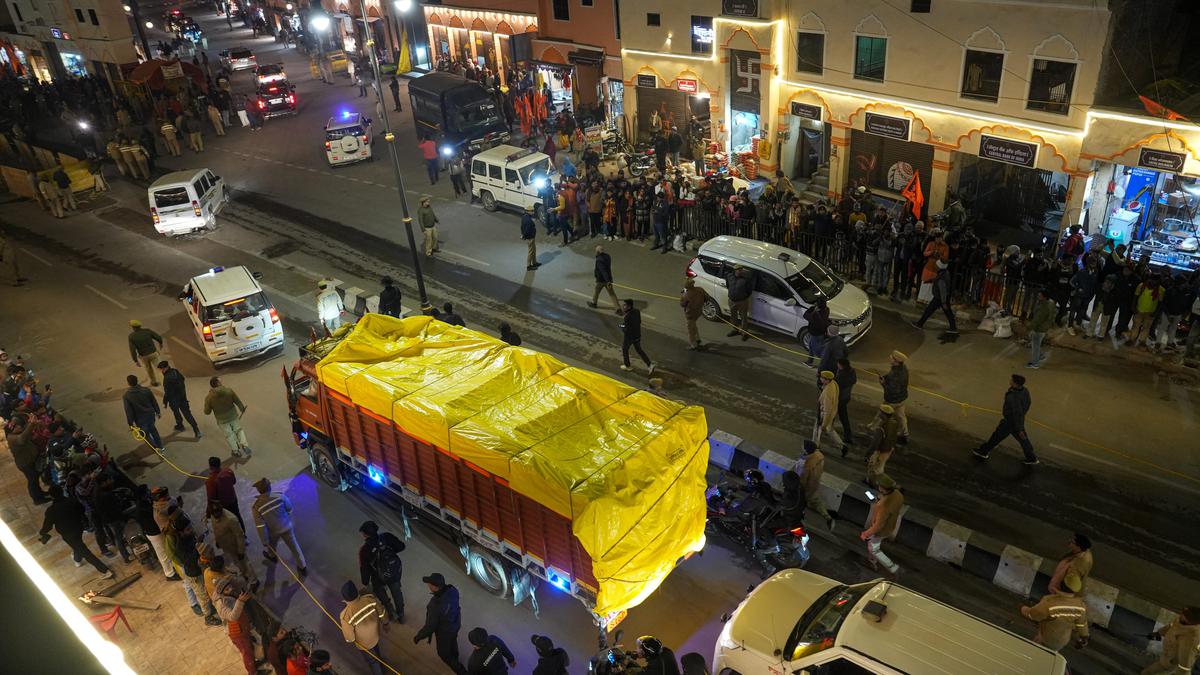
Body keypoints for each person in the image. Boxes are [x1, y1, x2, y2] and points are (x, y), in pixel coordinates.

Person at [38, 490, 113, 577]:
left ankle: (105, 571)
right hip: (78, 528)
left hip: (68, 534)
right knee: (78, 546)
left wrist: (42, 532)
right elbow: (82, 509)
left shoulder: (51, 510)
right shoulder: (71, 501)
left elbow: (48, 525)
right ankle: (77, 558)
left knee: (85, 552)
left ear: (52, 497)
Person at [165, 511, 222, 625]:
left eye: (190, 527)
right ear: (180, 532)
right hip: (193, 574)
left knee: (207, 590)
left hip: (200, 569)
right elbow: (189, 559)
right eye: (188, 529)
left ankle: (210, 607)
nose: (191, 530)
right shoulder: (179, 546)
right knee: (203, 595)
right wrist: (197, 549)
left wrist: (198, 541)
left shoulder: (189, 536)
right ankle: (208, 616)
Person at [972, 374, 1039, 465]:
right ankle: (1031, 458)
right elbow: (1027, 404)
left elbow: (1017, 413)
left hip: (1010, 422)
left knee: (996, 436)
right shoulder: (1024, 391)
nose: (1009, 381)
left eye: (1011, 380)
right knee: (1023, 440)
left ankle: (984, 451)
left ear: (1015, 383)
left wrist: (1019, 428)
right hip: (1016, 422)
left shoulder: (1014, 397)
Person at [413, 572, 467, 675]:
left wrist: (419, 636)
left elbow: (430, 627)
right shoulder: (453, 590)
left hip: (444, 632)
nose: (428, 585)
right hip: (455, 624)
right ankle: (455, 656)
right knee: (453, 640)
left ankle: (462, 671)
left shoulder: (435, 605)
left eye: (429, 584)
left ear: (434, 587)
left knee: (444, 654)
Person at [1019, 573, 1089, 652]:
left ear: (1061, 585)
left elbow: (1033, 614)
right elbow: (1082, 624)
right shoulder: (1080, 606)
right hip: (1062, 641)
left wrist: (1022, 608)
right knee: (1052, 655)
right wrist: (1084, 637)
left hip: (1046, 639)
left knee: (1036, 653)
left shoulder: (1050, 603)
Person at [252, 477, 307, 573]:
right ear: (270, 487)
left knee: (272, 544)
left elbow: (260, 526)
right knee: (294, 546)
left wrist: (264, 540)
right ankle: (303, 566)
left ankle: (272, 556)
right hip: (286, 527)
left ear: (259, 491)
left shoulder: (257, 507)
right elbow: (289, 508)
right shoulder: (280, 497)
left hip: (273, 531)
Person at [359, 520, 406, 623]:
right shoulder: (387, 537)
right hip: (393, 572)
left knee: (382, 596)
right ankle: (401, 615)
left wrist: (365, 582)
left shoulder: (364, 550)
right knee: (397, 593)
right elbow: (402, 546)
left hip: (378, 577)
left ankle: (391, 613)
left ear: (365, 534)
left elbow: (364, 569)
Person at [212, 575, 259, 674]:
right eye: (227, 589)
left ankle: (254, 665)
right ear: (222, 592)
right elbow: (232, 616)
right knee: (247, 653)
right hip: (237, 632)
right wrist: (241, 601)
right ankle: (252, 672)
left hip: (243, 627)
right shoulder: (221, 604)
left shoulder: (227, 594)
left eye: (230, 586)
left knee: (250, 648)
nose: (231, 589)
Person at [859, 473, 903, 576]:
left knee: (873, 549)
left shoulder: (883, 506)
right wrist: (877, 501)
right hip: (891, 525)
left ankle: (891, 567)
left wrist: (866, 534)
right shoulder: (898, 494)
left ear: (883, 488)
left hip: (881, 530)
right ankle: (872, 561)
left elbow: (878, 525)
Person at [339, 582, 386, 675]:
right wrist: (385, 623)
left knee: (372, 661)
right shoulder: (369, 600)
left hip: (364, 644)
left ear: (344, 598)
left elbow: (350, 638)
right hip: (375, 635)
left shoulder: (345, 616)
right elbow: (382, 612)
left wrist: (351, 639)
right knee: (377, 650)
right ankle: (382, 663)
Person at [209, 500, 257, 587]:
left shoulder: (231, 519)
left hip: (236, 546)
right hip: (226, 546)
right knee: (237, 563)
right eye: (213, 513)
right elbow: (215, 529)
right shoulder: (213, 516)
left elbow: (239, 535)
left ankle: (254, 581)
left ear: (221, 509)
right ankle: (245, 576)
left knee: (245, 563)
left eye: (217, 512)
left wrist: (241, 550)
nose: (215, 515)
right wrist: (217, 541)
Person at [1140, 606, 1200, 675]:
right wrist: (1159, 633)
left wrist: (1172, 664)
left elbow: (1185, 666)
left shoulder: (1190, 639)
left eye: (1184, 615)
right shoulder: (1181, 621)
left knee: (1147, 673)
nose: (1180, 615)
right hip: (1166, 656)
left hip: (1170, 662)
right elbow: (1171, 626)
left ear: (1189, 621)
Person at [5, 413, 49, 504]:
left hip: (30, 460)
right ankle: (37, 499)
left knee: (35, 479)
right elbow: (22, 439)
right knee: (32, 481)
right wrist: (31, 424)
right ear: (12, 430)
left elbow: (26, 432)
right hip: (26, 464)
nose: (20, 427)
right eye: (17, 427)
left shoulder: (17, 433)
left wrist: (32, 423)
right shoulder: (12, 438)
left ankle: (40, 493)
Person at [205, 377, 251, 457]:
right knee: (239, 430)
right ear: (218, 383)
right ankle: (244, 445)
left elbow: (207, 412)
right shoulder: (229, 391)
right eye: (220, 381)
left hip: (222, 420)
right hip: (233, 416)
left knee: (229, 435)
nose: (222, 381)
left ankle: (236, 451)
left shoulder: (209, 397)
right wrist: (242, 408)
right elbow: (237, 401)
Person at [795, 440, 834, 530]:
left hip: (807, 487)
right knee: (816, 500)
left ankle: (800, 523)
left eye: (803, 447)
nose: (801, 447)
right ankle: (827, 517)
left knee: (800, 504)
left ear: (806, 450)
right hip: (815, 482)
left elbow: (802, 478)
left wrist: (798, 487)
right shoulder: (819, 456)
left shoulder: (806, 464)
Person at [911, 260, 958, 333]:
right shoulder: (944, 273)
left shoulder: (942, 277)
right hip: (942, 297)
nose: (935, 266)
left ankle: (919, 324)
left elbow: (942, 290)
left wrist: (943, 302)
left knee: (929, 310)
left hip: (939, 298)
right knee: (947, 312)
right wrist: (930, 280)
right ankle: (953, 327)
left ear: (939, 267)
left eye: (936, 265)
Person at [158, 360, 201, 438]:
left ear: (166, 368)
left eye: (162, 369)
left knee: (176, 413)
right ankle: (196, 430)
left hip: (174, 400)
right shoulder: (175, 371)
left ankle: (180, 426)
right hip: (182, 397)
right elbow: (183, 378)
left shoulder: (167, 379)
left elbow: (167, 392)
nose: (161, 371)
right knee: (187, 414)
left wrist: (165, 402)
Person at [206, 456, 247, 532]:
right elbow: (234, 482)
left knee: (226, 522)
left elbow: (211, 498)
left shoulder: (210, 481)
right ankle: (244, 534)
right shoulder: (228, 471)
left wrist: (208, 513)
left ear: (211, 467)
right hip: (233, 499)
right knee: (237, 516)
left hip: (222, 505)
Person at [877, 350, 910, 444]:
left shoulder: (897, 374)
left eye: (891, 357)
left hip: (893, 400)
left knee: (882, 414)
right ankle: (905, 434)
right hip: (902, 398)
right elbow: (890, 375)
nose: (890, 358)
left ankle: (876, 430)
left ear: (895, 361)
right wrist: (885, 377)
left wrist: (883, 384)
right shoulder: (900, 368)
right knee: (901, 417)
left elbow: (893, 390)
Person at [123, 373, 163, 449]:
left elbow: (129, 412)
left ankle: (155, 448)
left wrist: (130, 424)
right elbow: (154, 401)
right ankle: (160, 446)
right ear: (137, 381)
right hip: (150, 415)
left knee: (145, 434)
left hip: (140, 419)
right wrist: (158, 411)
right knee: (153, 430)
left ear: (128, 383)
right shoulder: (146, 390)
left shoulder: (127, 396)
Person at [865, 404, 899, 487]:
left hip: (881, 451)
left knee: (876, 469)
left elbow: (875, 443)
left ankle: (891, 485)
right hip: (888, 449)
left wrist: (868, 453)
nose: (879, 413)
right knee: (877, 468)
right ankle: (869, 480)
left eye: (880, 412)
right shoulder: (894, 423)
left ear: (883, 415)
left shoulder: (881, 428)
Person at [619, 299, 655, 374]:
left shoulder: (627, 317)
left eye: (625, 305)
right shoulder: (637, 311)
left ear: (629, 307)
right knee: (639, 350)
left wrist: (622, 327)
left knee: (625, 349)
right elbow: (639, 322)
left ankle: (627, 365)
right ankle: (649, 365)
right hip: (637, 335)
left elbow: (626, 329)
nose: (623, 306)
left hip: (629, 337)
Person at [814, 370, 845, 453]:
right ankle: (842, 446)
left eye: (822, 378)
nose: (820, 379)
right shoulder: (833, 383)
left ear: (827, 380)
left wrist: (824, 423)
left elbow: (827, 409)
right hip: (833, 412)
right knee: (830, 430)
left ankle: (816, 448)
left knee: (817, 430)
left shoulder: (828, 392)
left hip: (824, 414)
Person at [128, 319, 164, 385]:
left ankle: (154, 382)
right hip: (153, 353)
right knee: (159, 368)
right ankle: (165, 383)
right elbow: (158, 337)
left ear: (133, 327)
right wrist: (160, 343)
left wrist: (135, 360)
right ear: (140, 326)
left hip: (143, 356)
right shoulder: (147, 331)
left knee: (149, 369)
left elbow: (132, 350)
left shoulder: (131, 336)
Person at [1026, 288, 1055, 369]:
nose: (1038, 297)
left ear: (1044, 297)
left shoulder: (1043, 306)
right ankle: (1040, 355)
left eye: (1040, 295)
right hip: (1045, 327)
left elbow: (1038, 319)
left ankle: (1034, 363)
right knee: (1036, 344)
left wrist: (1030, 327)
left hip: (1039, 328)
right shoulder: (1051, 302)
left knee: (1035, 346)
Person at [588, 245, 622, 312]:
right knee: (612, 293)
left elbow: (603, 271)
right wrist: (609, 280)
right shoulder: (608, 256)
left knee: (597, 291)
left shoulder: (599, 260)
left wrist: (607, 281)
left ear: (598, 252)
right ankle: (618, 308)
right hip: (608, 278)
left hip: (601, 280)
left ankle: (594, 303)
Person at [723, 265, 753, 340]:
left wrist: (743, 297)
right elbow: (728, 285)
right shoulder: (729, 276)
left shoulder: (746, 279)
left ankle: (744, 332)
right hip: (732, 301)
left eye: (741, 270)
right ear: (734, 270)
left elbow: (749, 291)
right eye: (738, 270)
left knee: (743, 317)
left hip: (742, 301)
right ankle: (735, 329)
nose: (740, 271)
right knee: (733, 316)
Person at [834, 357, 856, 451]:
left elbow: (836, 385)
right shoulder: (852, 371)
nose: (837, 365)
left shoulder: (842, 376)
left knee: (834, 414)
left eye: (838, 364)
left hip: (840, 399)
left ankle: (826, 428)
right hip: (846, 397)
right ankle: (848, 434)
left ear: (842, 365)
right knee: (844, 416)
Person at [680, 278, 707, 350]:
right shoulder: (700, 289)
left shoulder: (686, 295)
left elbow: (682, 304)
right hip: (698, 312)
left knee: (690, 330)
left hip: (690, 314)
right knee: (694, 324)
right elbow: (707, 297)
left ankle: (693, 345)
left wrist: (682, 296)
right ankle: (698, 338)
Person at [521, 205, 540, 271]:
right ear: (528, 211)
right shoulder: (528, 220)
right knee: (530, 252)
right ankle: (529, 266)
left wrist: (523, 234)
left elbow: (522, 227)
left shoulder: (524, 217)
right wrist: (524, 236)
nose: (533, 212)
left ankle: (534, 263)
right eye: (532, 211)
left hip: (531, 237)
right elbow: (527, 230)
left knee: (533, 250)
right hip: (530, 238)